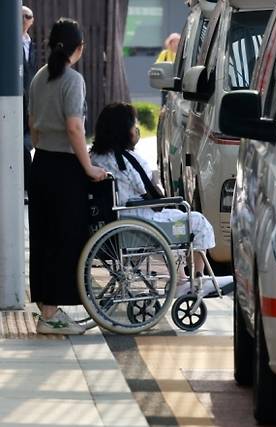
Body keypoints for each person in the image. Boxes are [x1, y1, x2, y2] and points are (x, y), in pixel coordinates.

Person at [29, 18, 107, 335]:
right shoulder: (72, 80)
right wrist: (88, 167)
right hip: (64, 169)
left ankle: (47, 310)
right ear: (79, 48)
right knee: (65, 238)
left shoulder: (38, 77)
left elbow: (33, 125)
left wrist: (42, 144)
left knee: (43, 238)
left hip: (42, 164)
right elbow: (75, 128)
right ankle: (51, 314)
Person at [90, 103, 215, 278]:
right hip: (140, 223)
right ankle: (196, 278)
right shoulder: (128, 160)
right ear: (124, 130)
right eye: (134, 126)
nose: (136, 130)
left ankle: (181, 278)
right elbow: (147, 191)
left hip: (114, 223)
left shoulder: (95, 157)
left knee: (174, 220)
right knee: (197, 222)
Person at [22, 6, 36, 198]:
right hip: (15, 99)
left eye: (28, 16)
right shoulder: (10, 40)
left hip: (31, 100)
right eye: (21, 16)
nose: (24, 19)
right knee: (22, 144)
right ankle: (28, 184)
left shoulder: (33, 44)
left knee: (27, 141)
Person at [156, 33, 180, 105]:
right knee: (165, 106)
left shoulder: (182, 54)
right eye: (173, 42)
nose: (175, 44)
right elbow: (158, 66)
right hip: (166, 85)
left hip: (178, 85)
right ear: (170, 43)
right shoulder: (164, 54)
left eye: (177, 41)